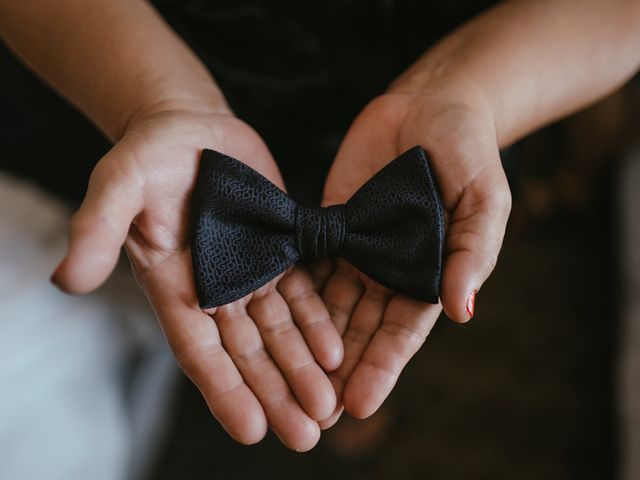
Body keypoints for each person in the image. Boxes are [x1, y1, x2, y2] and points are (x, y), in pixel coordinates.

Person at [1, 0, 639, 455]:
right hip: (121, 89)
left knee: (414, 289)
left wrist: (468, 91)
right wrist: (156, 103)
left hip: (428, 140)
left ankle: (342, 383)